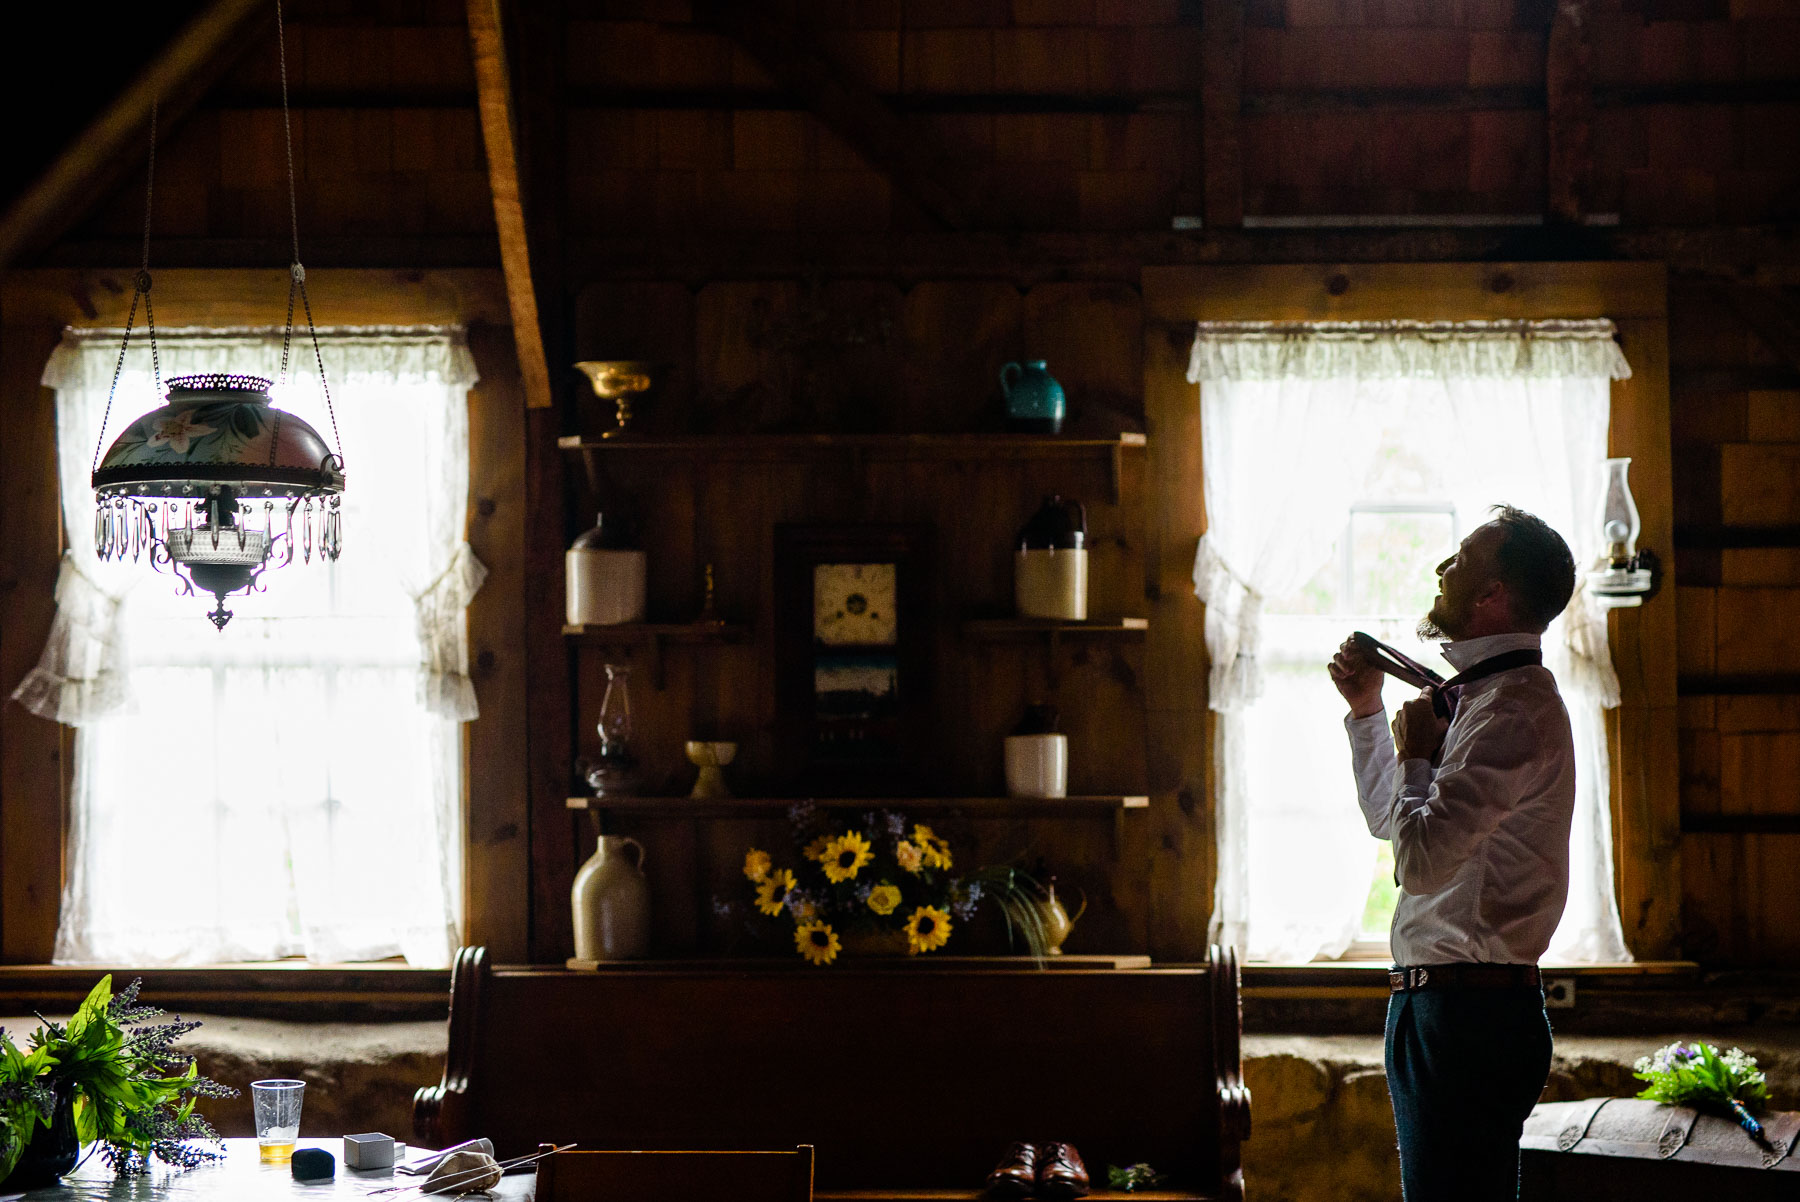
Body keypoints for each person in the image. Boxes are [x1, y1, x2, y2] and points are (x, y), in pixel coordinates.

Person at [1328, 505, 1578, 1202]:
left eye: (1460, 559)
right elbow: (1394, 824)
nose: (1441, 569)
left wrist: (1413, 758)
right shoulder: (1480, 701)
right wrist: (1368, 715)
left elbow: (1422, 863)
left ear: (1493, 595)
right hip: (1445, 1010)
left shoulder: (1510, 713)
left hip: (1470, 1020)